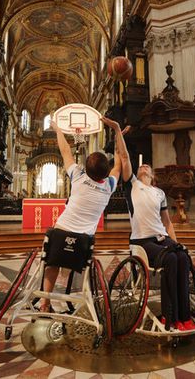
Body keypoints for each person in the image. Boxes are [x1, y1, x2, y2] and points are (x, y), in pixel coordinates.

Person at [40, 116, 128, 311]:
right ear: (104, 173)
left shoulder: (78, 177)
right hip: (83, 242)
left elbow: (65, 151)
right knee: (82, 259)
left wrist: (58, 129)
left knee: (52, 263)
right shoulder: (109, 186)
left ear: (86, 169)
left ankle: (45, 303)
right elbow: (119, 165)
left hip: (60, 234)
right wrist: (119, 139)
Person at [120, 149, 195, 332]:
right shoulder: (132, 186)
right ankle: (168, 315)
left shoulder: (159, 193)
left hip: (162, 238)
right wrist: (117, 132)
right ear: (137, 174)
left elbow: (167, 223)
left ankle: (184, 316)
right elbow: (124, 157)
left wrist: (176, 244)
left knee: (183, 257)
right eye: (141, 167)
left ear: (152, 175)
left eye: (148, 166)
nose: (144, 166)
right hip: (142, 241)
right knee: (170, 259)